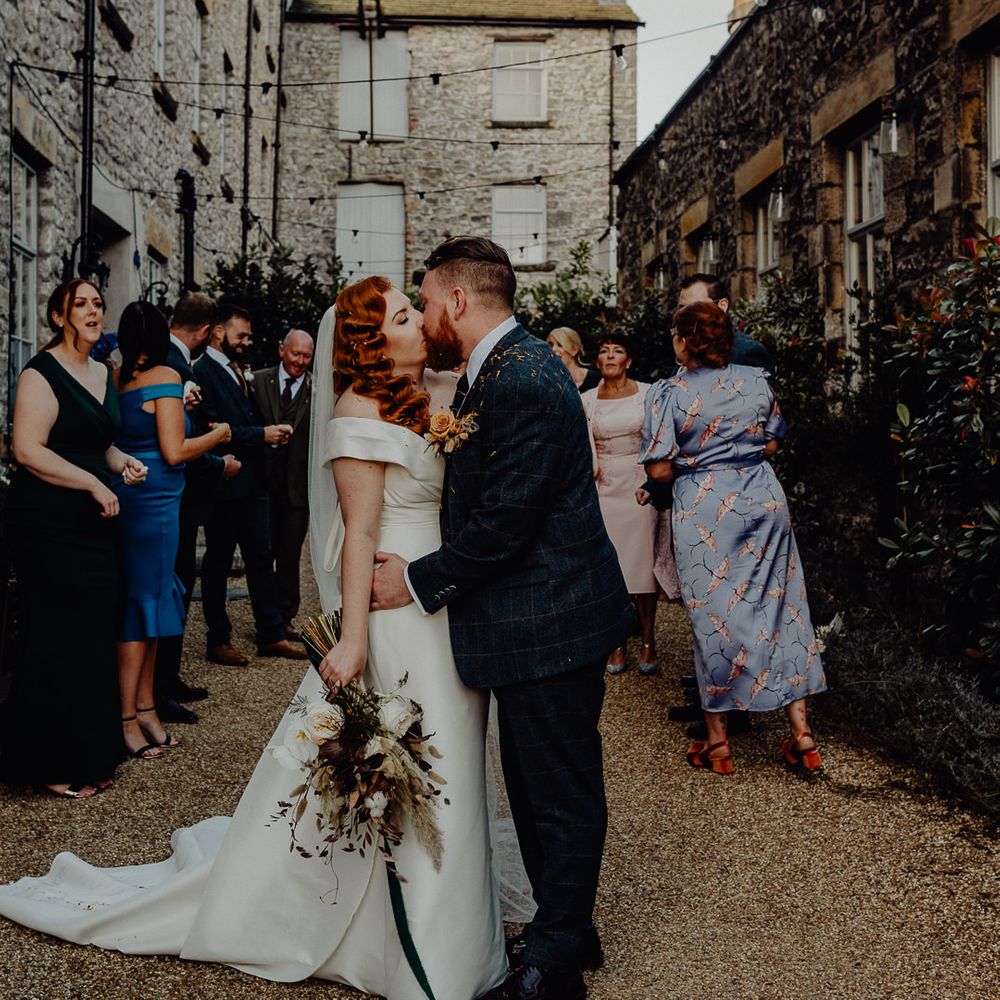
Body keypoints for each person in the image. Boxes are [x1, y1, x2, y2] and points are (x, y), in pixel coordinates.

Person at [0, 276, 513, 1000]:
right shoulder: (357, 410)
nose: (420, 321)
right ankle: (418, 943)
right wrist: (353, 639)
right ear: (371, 341)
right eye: (404, 315)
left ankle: (452, 920)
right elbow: (359, 536)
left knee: (455, 758)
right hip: (395, 620)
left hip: (441, 602)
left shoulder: (436, 392)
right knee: (410, 761)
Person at [371, 237, 637, 1000]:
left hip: (551, 619)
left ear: (457, 298)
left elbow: (505, 522)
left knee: (559, 788)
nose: (424, 317)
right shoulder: (506, 366)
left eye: (425, 301)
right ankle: (567, 925)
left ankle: (556, 967)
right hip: (541, 618)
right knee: (538, 782)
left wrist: (416, 581)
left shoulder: (519, 376)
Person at [640, 301, 826, 774]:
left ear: (685, 340)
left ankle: (719, 743)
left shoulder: (670, 392)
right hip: (763, 498)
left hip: (706, 508)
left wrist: (698, 460)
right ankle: (802, 735)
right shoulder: (757, 381)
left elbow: (659, 467)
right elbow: (772, 442)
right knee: (781, 607)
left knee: (715, 618)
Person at [0, 279, 147, 798]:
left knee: (91, 630)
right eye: (80, 304)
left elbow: (98, 444)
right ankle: (47, 760)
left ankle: (88, 750)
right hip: (45, 519)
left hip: (91, 520)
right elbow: (27, 449)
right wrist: (90, 482)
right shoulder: (40, 373)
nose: (92, 311)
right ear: (60, 316)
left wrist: (122, 462)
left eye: (97, 304)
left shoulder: (104, 372)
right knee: (54, 633)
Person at [114, 302, 232, 760]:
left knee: (150, 600)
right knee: (143, 606)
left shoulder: (119, 377)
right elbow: (175, 450)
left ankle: (144, 708)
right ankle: (129, 716)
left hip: (134, 497)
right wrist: (218, 435)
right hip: (155, 500)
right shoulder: (164, 375)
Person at [195, 302, 305, 665]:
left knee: (261, 558)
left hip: (253, 486)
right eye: (240, 334)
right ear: (217, 332)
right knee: (218, 562)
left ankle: (270, 632)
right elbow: (212, 430)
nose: (245, 341)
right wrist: (262, 434)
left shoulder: (235, 370)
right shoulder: (205, 373)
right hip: (226, 485)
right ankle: (218, 638)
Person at [154, 293, 241, 724]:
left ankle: (168, 679)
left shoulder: (170, 359)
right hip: (174, 496)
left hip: (177, 495)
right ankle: (161, 684)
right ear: (207, 332)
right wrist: (219, 458)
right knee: (175, 584)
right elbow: (169, 442)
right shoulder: (173, 365)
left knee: (178, 584)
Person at [582, 333, 659, 675]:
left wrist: (655, 481)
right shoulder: (587, 400)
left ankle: (648, 639)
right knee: (610, 568)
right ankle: (616, 642)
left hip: (639, 487)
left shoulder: (648, 393)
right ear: (597, 362)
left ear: (628, 361)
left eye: (618, 351)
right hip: (605, 486)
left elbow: (659, 437)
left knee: (643, 567)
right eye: (603, 351)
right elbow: (582, 443)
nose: (610, 356)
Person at [251, 330, 314, 640]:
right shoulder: (257, 381)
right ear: (281, 350)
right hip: (260, 483)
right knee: (262, 553)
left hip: (297, 487)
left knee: (290, 556)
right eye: (295, 354)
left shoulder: (318, 389)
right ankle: (265, 618)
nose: (300, 362)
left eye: (306, 356)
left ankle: (285, 617)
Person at [678, 273, 773, 371]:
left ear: (722, 306)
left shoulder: (746, 352)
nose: (685, 315)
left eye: (695, 307)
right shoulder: (684, 348)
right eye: (681, 308)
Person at [546, 326, 601, 392]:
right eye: (550, 345)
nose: (553, 349)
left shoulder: (597, 379)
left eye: (560, 345)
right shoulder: (547, 382)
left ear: (574, 350)